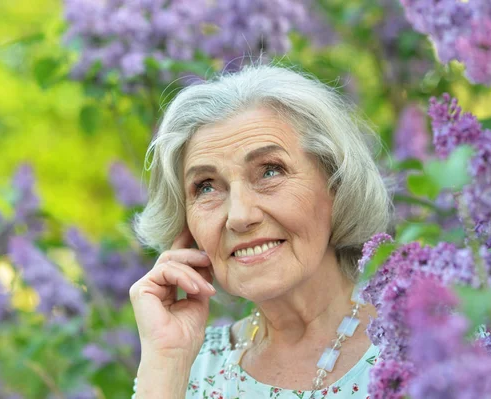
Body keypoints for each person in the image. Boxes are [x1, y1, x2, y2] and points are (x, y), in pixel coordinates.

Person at [129, 65, 391, 398]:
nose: (239, 216)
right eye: (206, 187)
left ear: (336, 184)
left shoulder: (432, 337)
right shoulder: (189, 369)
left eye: (269, 171)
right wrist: (167, 361)